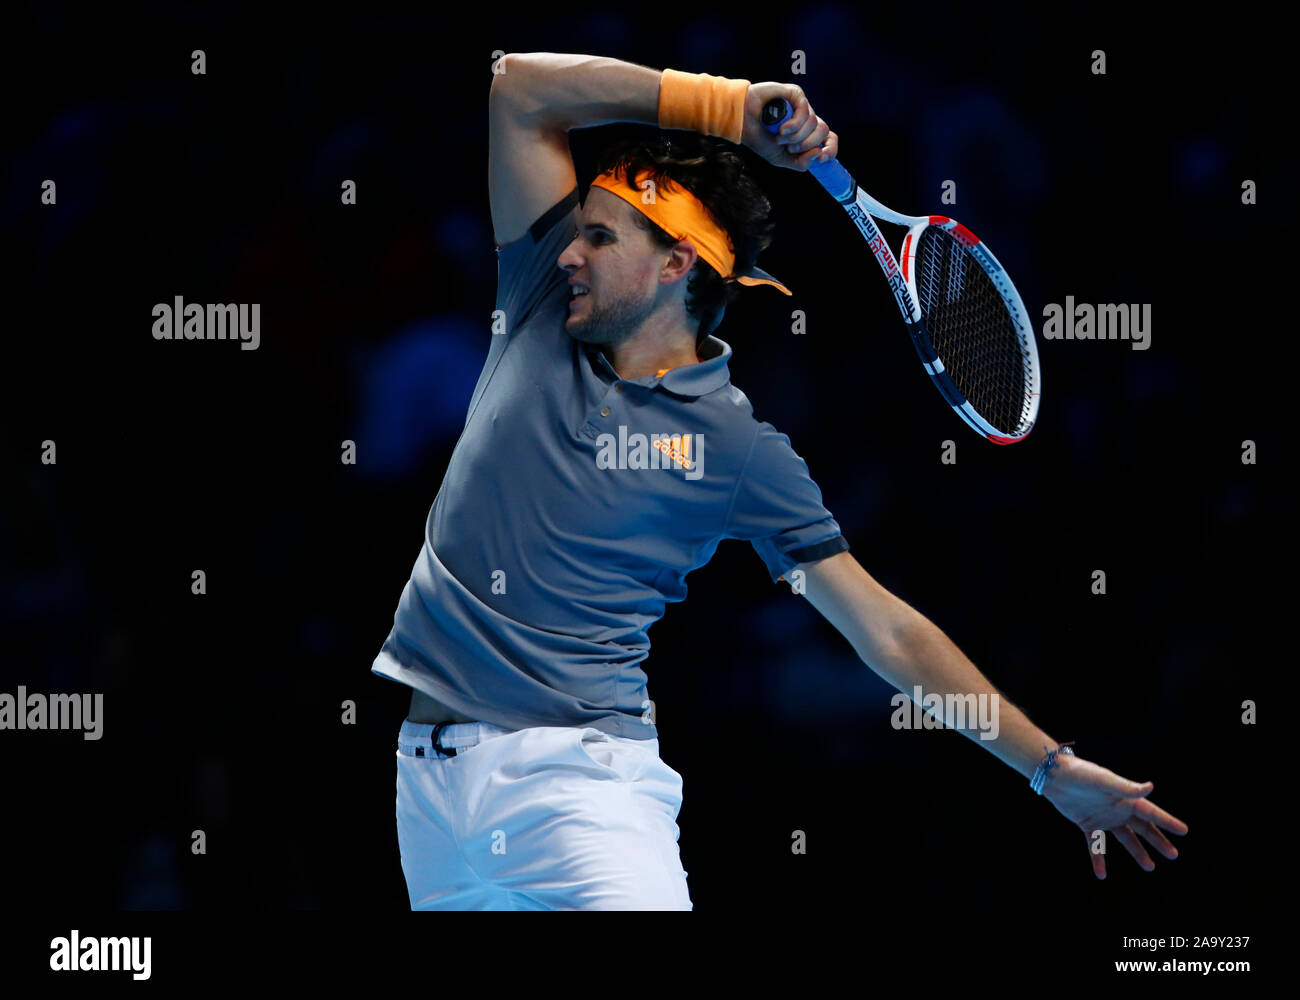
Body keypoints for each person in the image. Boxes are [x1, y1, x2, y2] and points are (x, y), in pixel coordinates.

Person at [372, 53, 1188, 909]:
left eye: (600, 237)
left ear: (676, 264)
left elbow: (885, 628)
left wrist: (1047, 767)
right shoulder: (537, 297)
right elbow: (518, 87)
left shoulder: (736, 447)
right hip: (428, 801)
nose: (568, 251)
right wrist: (726, 109)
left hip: (577, 795)